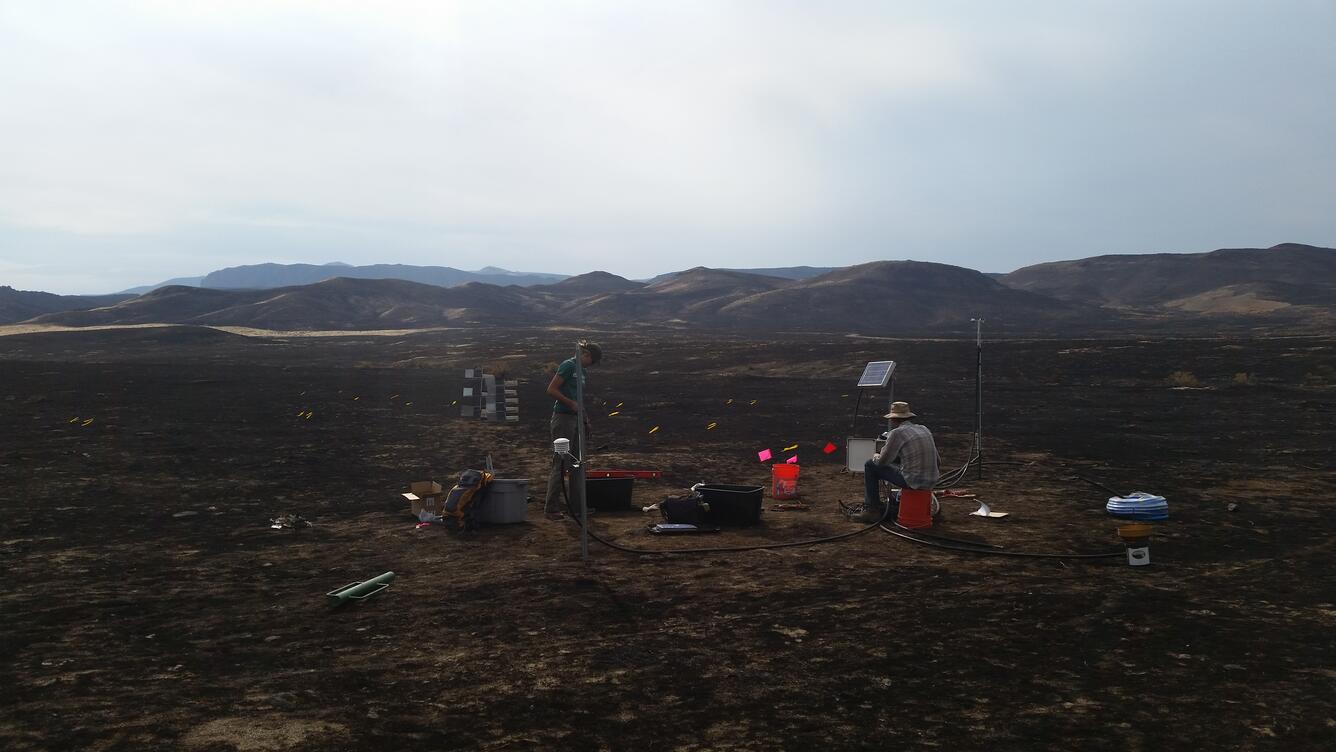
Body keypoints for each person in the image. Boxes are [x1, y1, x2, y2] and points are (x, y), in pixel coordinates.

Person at [852, 401, 940, 523]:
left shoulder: (897, 433)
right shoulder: (924, 429)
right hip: (931, 480)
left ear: (893, 419)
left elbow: (883, 461)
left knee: (870, 465)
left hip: (912, 481)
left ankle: (872, 510)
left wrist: (876, 456)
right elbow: (937, 460)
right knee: (896, 464)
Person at [543, 340, 602, 520]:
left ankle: (577, 507)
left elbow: (579, 397)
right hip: (563, 419)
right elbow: (551, 389)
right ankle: (551, 508)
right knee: (561, 462)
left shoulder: (582, 371)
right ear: (587, 355)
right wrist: (570, 404)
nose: (590, 366)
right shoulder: (568, 365)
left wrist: (585, 419)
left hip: (576, 420)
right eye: (591, 362)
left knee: (578, 463)